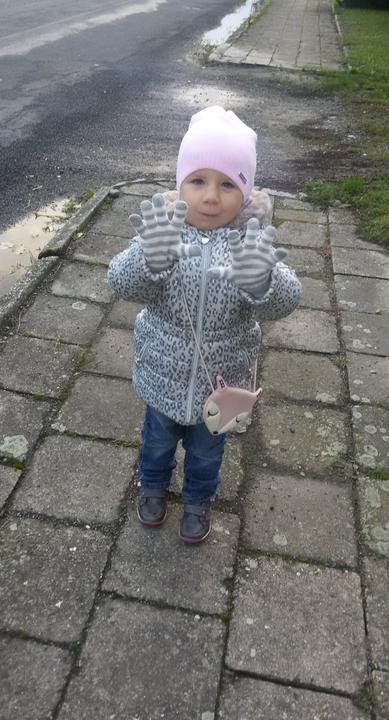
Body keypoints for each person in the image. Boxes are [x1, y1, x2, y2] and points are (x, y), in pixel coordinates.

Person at [108, 106, 302, 544]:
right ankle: (152, 485)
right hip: (163, 374)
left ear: (245, 193)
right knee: (156, 441)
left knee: (207, 452)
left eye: (228, 184)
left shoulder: (251, 244)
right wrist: (148, 259)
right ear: (180, 184)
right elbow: (119, 281)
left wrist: (262, 281)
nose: (211, 197)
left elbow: (286, 302)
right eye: (198, 181)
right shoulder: (162, 234)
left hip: (221, 384)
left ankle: (198, 498)